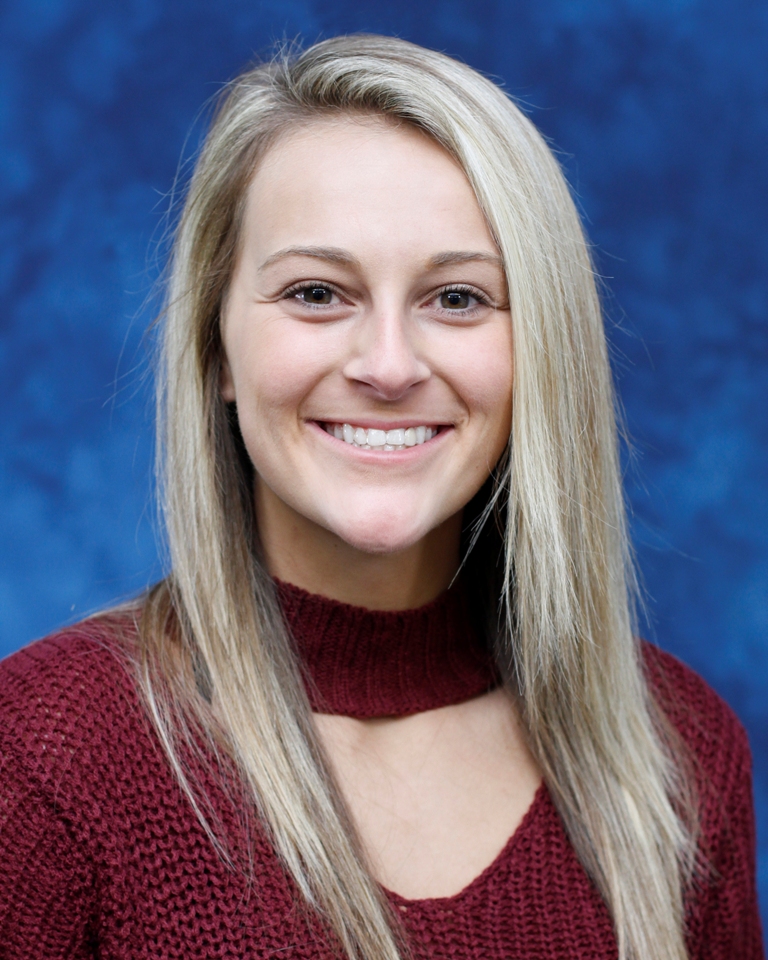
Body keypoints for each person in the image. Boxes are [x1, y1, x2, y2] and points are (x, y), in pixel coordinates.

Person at [0, 34, 762, 960]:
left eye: (458, 298)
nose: (389, 367)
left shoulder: (677, 752)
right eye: (318, 293)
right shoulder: (42, 754)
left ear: (540, 350)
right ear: (217, 347)